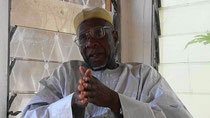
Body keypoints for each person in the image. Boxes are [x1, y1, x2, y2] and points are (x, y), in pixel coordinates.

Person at [22, 7, 192, 118]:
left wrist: (115, 101)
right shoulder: (64, 75)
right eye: (83, 38)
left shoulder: (143, 76)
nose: (90, 43)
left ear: (115, 37)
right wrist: (72, 105)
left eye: (99, 33)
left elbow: (177, 115)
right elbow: (28, 115)